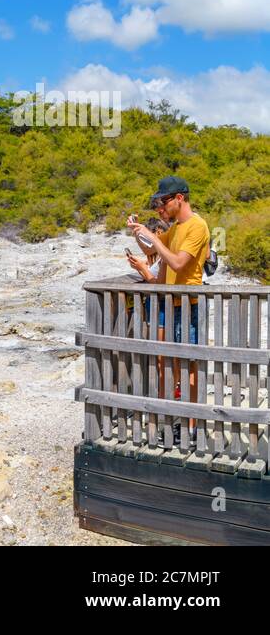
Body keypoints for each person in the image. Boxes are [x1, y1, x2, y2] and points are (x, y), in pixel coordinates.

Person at [126, 176, 209, 442]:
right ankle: (175, 423)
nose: (160, 207)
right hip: (173, 305)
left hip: (190, 307)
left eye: (163, 201)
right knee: (173, 366)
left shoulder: (197, 226)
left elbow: (177, 263)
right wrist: (140, 233)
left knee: (191, 368)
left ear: (179, 198)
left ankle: (193, 428)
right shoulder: (176, 228)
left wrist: (152, 237)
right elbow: (156, 249)